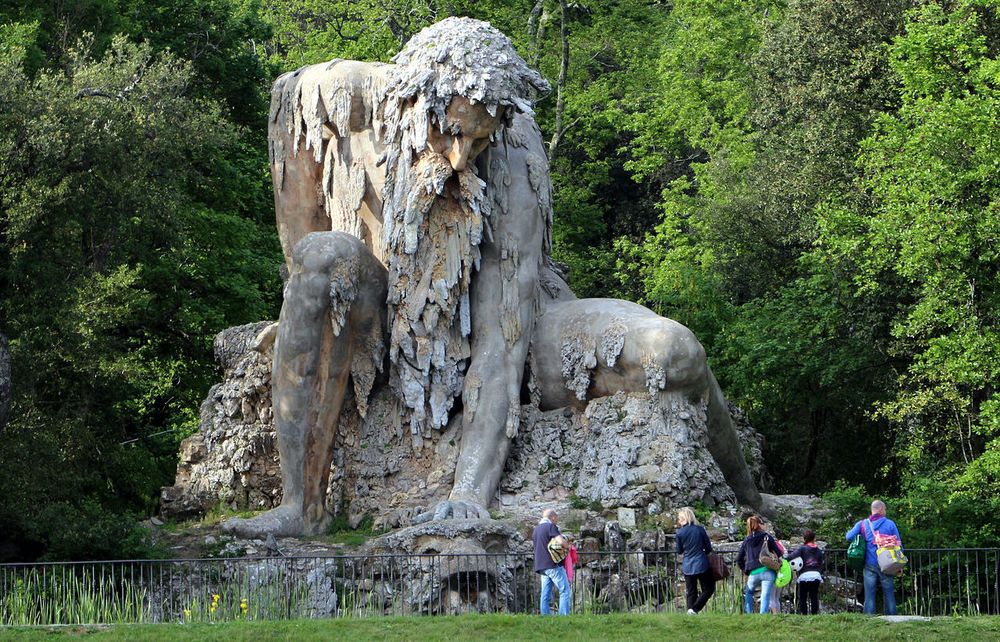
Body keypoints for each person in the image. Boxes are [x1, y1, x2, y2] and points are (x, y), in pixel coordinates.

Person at [845, 500, 903, 615]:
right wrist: (899, 564)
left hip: (869, 564)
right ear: (881, 509)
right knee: (889, 595)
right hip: (887, 564)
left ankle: (869, 619)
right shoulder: (890, 524)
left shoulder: (862, 524)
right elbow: (898, 544)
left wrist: (861, 537)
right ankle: (892, 619)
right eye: (885, 509)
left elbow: (848, 537)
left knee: (870, 595)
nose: (885, 512)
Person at [736, 515, 783, 614]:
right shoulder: (766, 537)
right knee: (765, 595)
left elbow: (739, 559)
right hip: (767, 571)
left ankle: (749, 614)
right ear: (759, 525)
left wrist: (745, 570)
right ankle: (763, 616)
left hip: (753, 573)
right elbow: (779, 552)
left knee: (748, 592)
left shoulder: (746, 540)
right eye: (763, 523)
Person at [675, 507, 716, 615]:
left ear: (683, 519)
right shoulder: (699, 529)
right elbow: (708, 548)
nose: (678, 521)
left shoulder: (679, 533)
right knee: (708, 588)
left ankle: (690, 611)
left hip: (687, 564)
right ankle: (695, 609)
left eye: (679, 519)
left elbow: (679, 551)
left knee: (691, 591)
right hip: (701, 563)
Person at [533, 508, 571, 615]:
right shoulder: (550, 527)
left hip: (541, 566)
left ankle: (545, 617)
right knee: (565, 590)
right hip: (552, 565)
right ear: (552, 517)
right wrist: (568, 546)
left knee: (545, 594)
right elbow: (560, 542)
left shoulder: (536, 529)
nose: (556, 520)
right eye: (556, 518)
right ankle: (564, 616)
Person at [785, 528, 825, 615]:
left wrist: (783, 560)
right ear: (814, 538)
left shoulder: (802, 549)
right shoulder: (818, 550)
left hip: (804, 576)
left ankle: (804, 614)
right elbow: (821, 563)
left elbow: (792, 556)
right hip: (816, 575)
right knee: (814, 596)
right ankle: (814, 614)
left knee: (802, 597)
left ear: (804, 539)